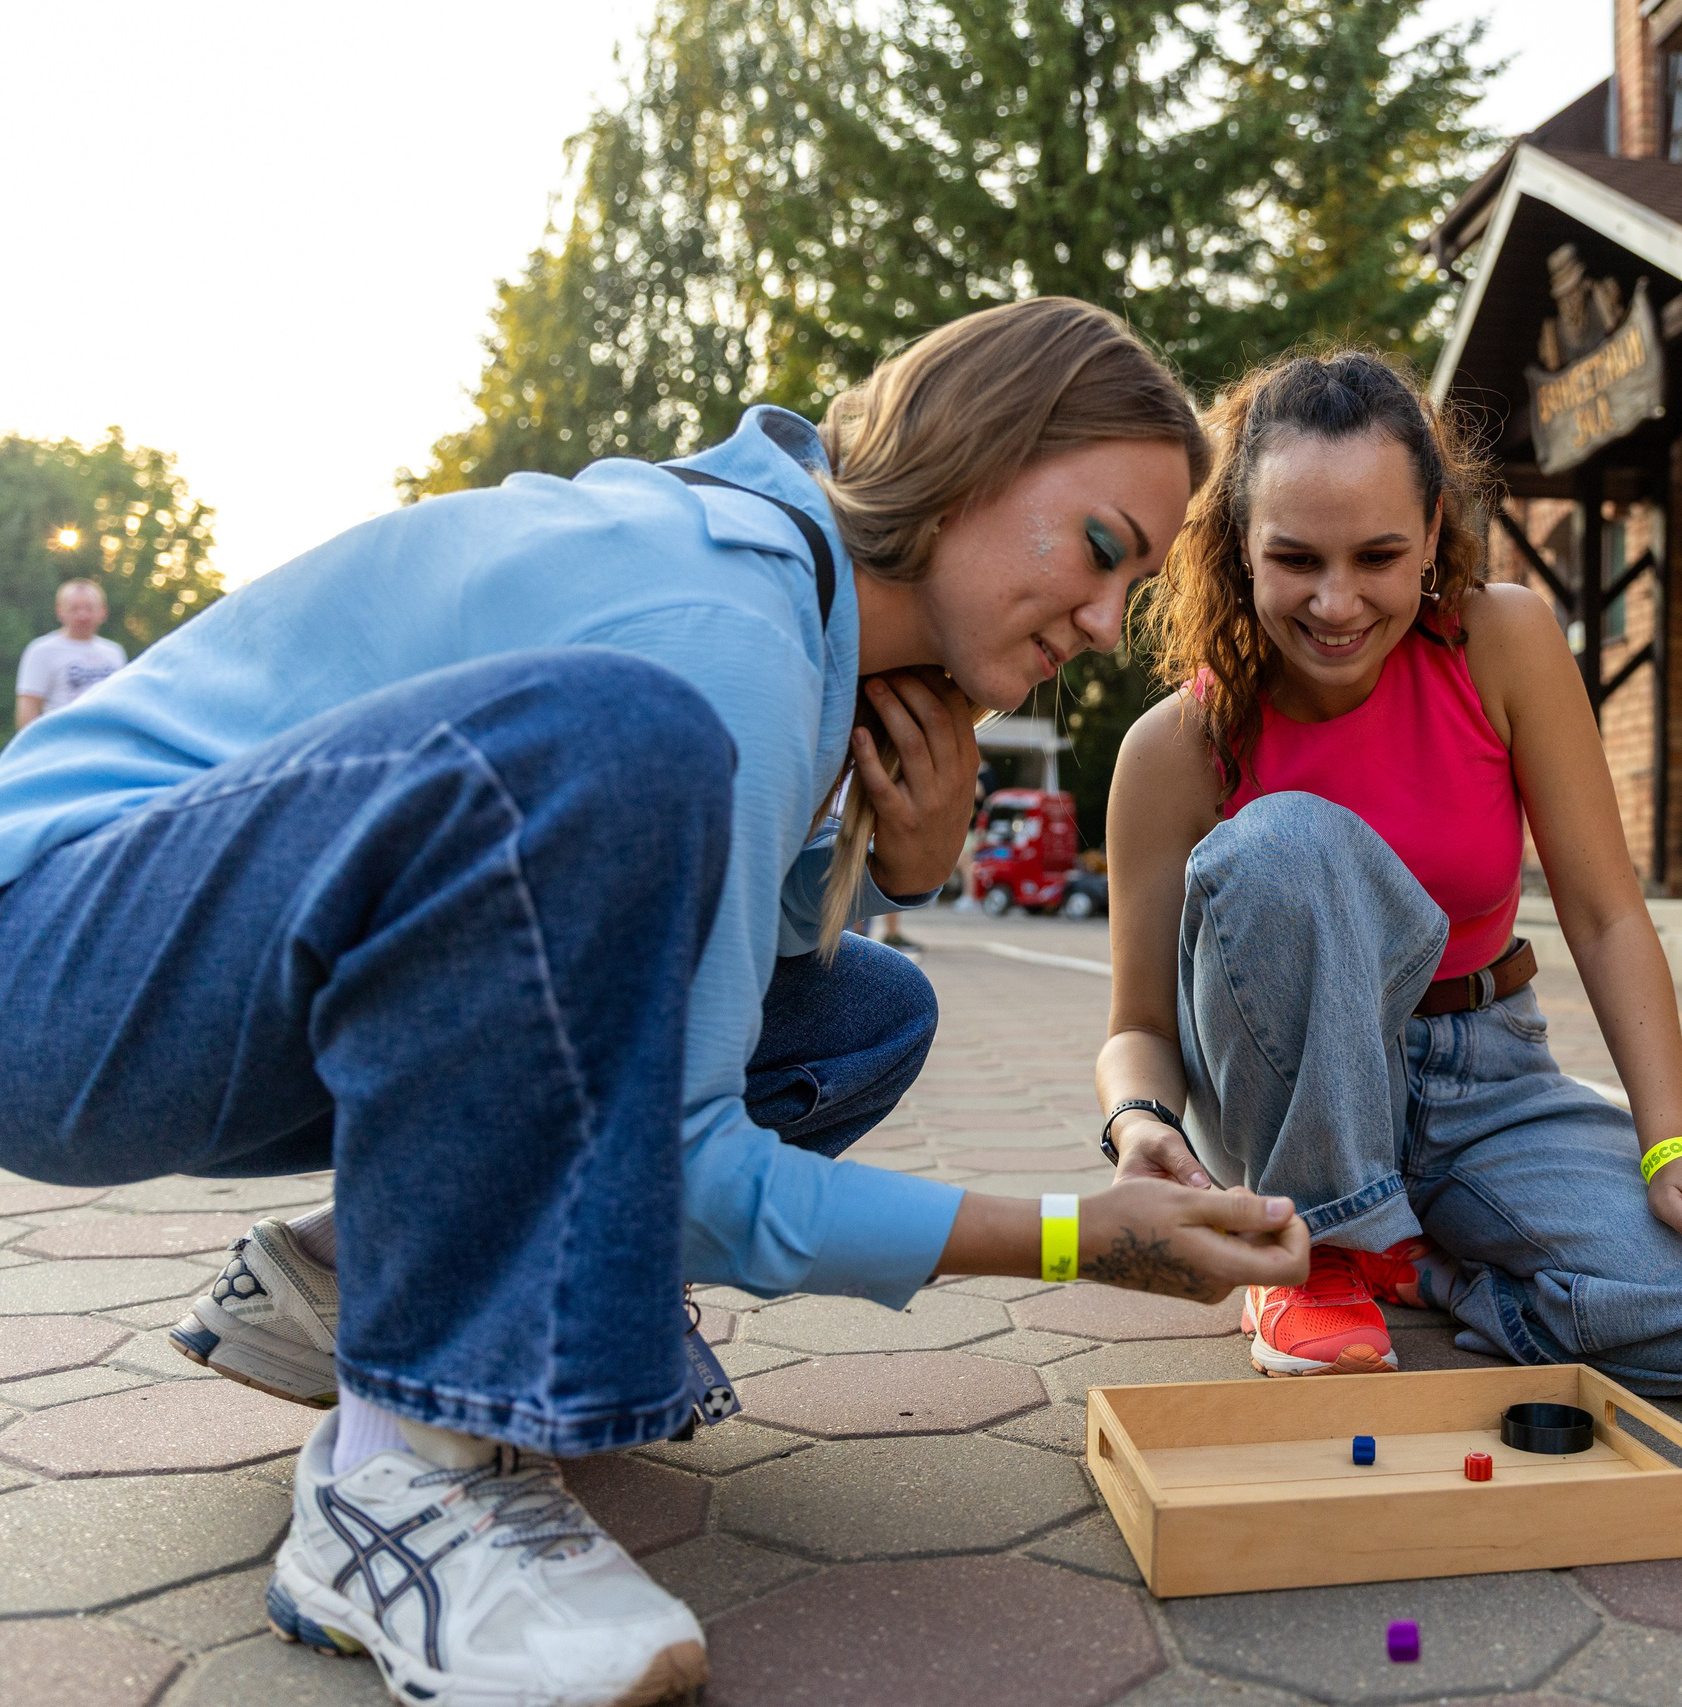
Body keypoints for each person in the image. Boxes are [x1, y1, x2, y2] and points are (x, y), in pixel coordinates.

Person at [0, 297, 1309, 1707]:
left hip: (190, 968)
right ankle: (403, 1478)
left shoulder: (792, 598)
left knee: (857, 1011)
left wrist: (909, 861)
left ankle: (351, 1281)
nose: (1109, 622)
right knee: (622, 738)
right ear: (971, 453)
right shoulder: (726, 622)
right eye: (1103, 549)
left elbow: (698, 986)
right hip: (59, 962)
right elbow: (677, 1170)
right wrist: (1075, 1236)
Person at [1094, 350, 1682, 1393]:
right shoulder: (1175, 747)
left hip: (1485, 1074)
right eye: (1295, 559)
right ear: (1236, 547)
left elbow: (1607, 916)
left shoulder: (1503, 640)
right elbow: (1139, 1031)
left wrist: (1674, 1151)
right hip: (1291, 1102)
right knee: (1289, 841)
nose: (1337, 603)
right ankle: (1315, 1253)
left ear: (1433, 532)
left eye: (1378, 555)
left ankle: (1426, 1275)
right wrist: (1139, 1125)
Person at [14, 577, 126, 729]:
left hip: (106, 739)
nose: (82, 615)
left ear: (103, 612)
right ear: (59, 611)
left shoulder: (114, 652)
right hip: (63, 740)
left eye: (89, 608)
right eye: (74, 608)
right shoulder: (42, 650)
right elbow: (28, 707)